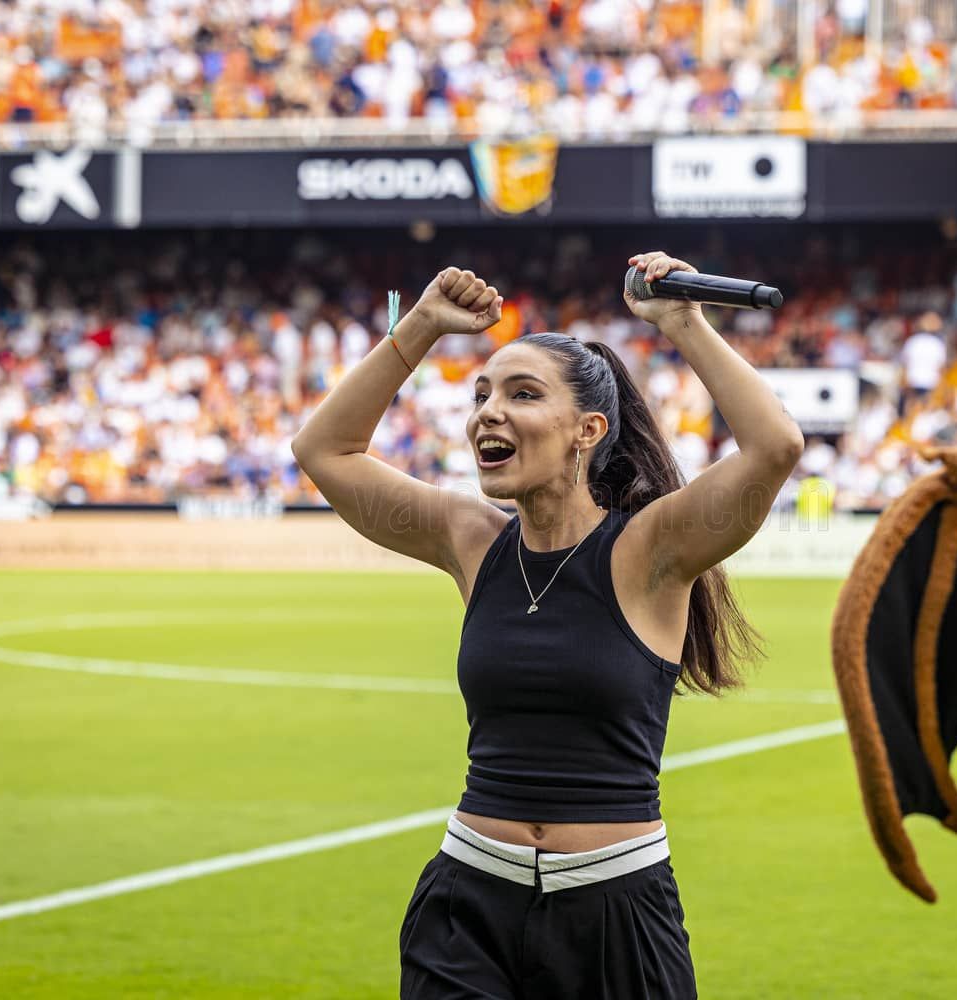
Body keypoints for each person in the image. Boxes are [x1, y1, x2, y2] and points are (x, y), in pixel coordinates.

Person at [290, 251, 804, 999]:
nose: (488, 413)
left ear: (587, 429)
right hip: (467, 910)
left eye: (523, 395)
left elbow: (774, 447)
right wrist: (425, 325)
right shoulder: (470, 539)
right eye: (482, 394)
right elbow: (323, 450)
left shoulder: (651, 550)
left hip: (615, 913)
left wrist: (680, 320)